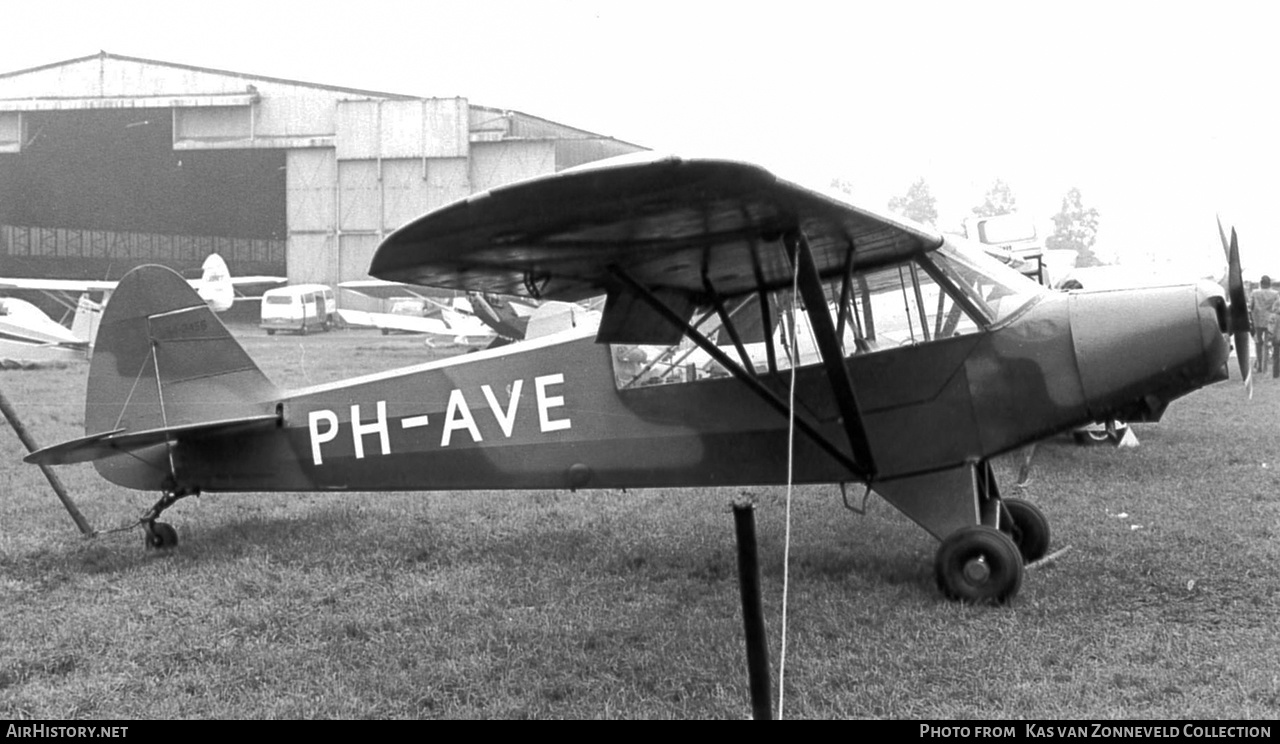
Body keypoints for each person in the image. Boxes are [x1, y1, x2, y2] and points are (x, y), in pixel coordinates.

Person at [1249, 275, 1280, 377]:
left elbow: (1250, 305)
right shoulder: (1275, 294)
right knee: (1267, 344)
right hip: (1270, 321)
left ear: (1261, 283)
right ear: (1269, 283)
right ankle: (1265, 368)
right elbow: (1277, 307)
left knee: (1258, 343)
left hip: (1257, 321)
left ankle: (1259, 366)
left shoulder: (1254, 292)